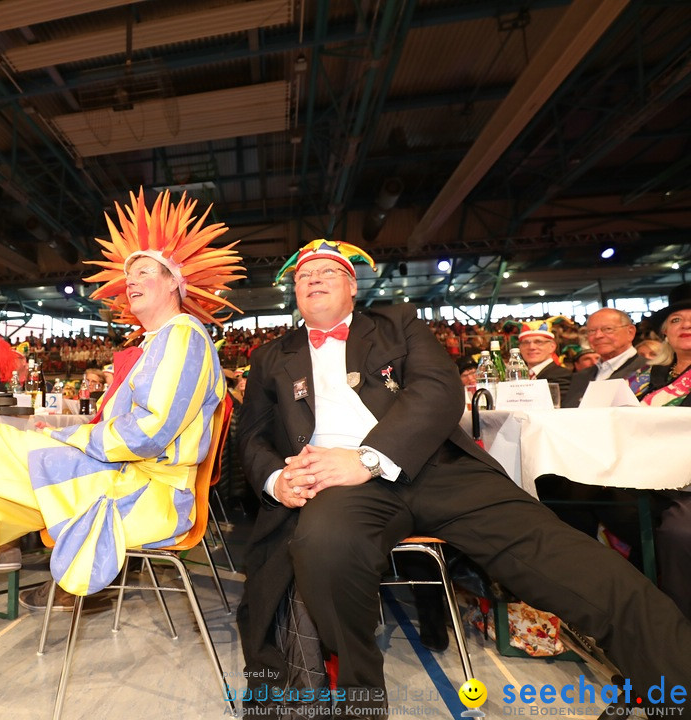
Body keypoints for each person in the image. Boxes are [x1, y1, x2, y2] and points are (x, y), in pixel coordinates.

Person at [236, 239, 691, 716]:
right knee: (321, 547)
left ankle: (673, 685)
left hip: (439, 469)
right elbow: (252, 435)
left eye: (327, 272)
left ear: (353, 286)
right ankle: (360, 697)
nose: (313, 279)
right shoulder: (272, 356)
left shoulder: (398, 323)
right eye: (304, 276)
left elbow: (439, 389)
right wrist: (276, 481)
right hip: (339, 486)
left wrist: (368, 458)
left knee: (573, 562)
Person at [0, 188, 243, 720]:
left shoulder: (183, 335)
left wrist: (66, 437)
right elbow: (130, 429)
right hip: (124, 478)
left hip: (149, 493)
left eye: (148, 271)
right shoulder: (158, 342)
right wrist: (71, 435)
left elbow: (149, 434)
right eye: (131, 273)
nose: (134, 279)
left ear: (177, 283)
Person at [630, 284, 691, 619]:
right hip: (646, 477)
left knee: (678, 531)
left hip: (686, 483)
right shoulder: (649, 378)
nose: (686, 325)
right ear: (666, 332)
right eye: (677, 319)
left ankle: (680, 628)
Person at [563, 308, 646, 408]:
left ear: (630, 332)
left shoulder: (648, 371)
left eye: (608, 329)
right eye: (592, 331)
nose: (598, 335)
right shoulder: (580, 377)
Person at [516, 320, 572, 403]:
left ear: (552, 347)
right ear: (520, 348)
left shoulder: (562, 375)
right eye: (526, 342)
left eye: (538, 342)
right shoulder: (517, 376)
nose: (531, 347)